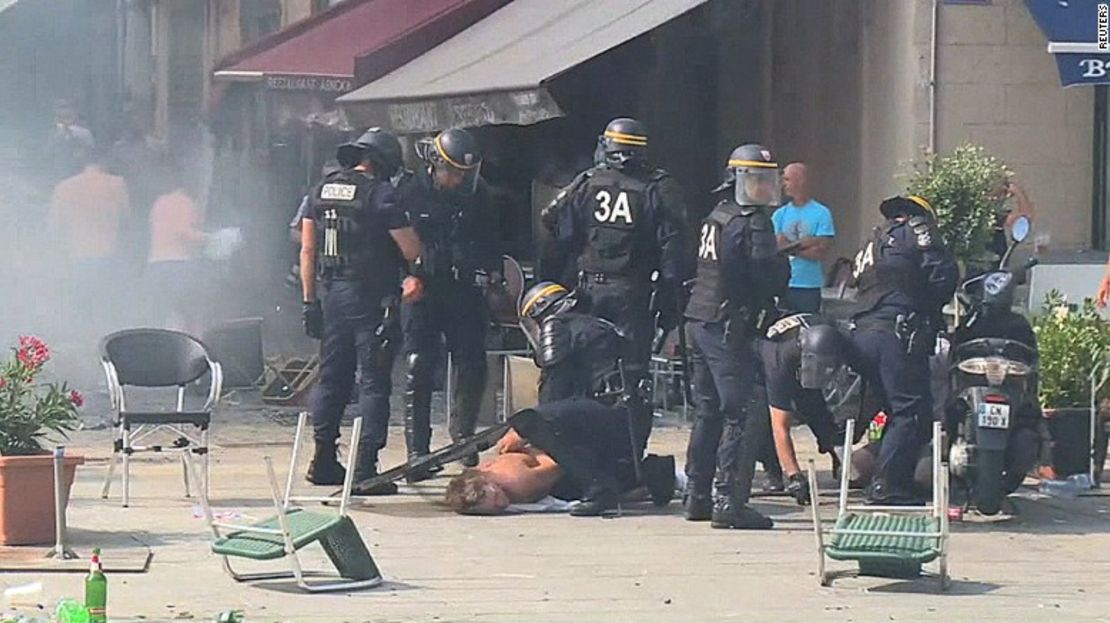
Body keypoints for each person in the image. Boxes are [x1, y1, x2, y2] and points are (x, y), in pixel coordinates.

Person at [538, 117, 688, 451]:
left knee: (579, 372)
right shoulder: (658, 187)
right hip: (633, 297)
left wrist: (554, 277)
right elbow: (673, 256)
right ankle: (627, 455)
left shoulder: (587, 183)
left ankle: (562, 452)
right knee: (629, 380)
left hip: (588, 292)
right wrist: (669, 305)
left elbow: (552, 222)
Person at [300, 128, 423, 494]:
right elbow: (411, 249)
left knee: (332, 377)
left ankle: (322, 459)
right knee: (373, 381)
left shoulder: (319, 191)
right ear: (383, 162)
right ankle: (366, 468)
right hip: (372, 300)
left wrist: (310, 303)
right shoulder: (382, 194)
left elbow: (307, 251)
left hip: (331, 294)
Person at [682, 144, 791, 529]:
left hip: (700, 319)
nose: (763, 188)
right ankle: (729, 500)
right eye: (755, 180)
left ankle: (697, 495)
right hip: (728, 325)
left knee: (707, 410)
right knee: (741, 411)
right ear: (738, 180)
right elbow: (767, 273)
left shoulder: (717, 215)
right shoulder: (752, 221)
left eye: (767, 179)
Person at [846, 195, 959, 504]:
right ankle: (887, 486)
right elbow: (944, 276)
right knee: (912, 411)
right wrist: (929, 310)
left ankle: (888, 478)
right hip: (896, 333)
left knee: (897, 412)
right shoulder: (919, 229)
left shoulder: (873, 242)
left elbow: (854, 281)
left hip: (862, 333)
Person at [403, 128, 502, 472]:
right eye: (453, 172)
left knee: (472, 363)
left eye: (464, 173)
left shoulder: (478, 194)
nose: (458, 179)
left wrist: (493, 272)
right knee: (420, 365)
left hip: (464, 290)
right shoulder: (411, 192)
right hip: (425, 288)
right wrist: (405, 276)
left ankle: (463, 437)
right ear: (435, 164)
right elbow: (395, 241)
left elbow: (491, 238)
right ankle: (418, 449)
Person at [445, 399, 670, 517]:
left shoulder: (513, 480)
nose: (498, 505)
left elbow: (560, 464)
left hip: (609, 431)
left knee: (530, 424)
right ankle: (651, 473)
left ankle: (605, 484)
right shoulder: (497, 468)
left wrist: (527, 434)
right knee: (567, 488)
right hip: (601, 431)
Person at [757, 312, 847, 505]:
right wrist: (795, 476)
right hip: (762, 364)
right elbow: (780, 428)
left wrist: (839, 452)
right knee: (762, 420)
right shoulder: (778, 361)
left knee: (818, 411)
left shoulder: (838, 336)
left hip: (805, 348)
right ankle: (773, 470)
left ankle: (838, 457)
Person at [48, 148, 130, 316]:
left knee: (81, 305)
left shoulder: (63, 187)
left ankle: (81, 336)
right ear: (105, 163)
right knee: (106, 303)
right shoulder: (117, 183)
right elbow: (126, 219)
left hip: (76, 253)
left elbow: (54, 226)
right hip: (107, 252)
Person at [518, 281, 627, 404]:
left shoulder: (558, 328)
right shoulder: (597, 324)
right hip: (615, 406)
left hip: (589, 408)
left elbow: (554, 388)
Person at [146, 171, 207, 333]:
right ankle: (194, 344)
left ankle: (157, 342)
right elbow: (184, 231)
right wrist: (211, 238)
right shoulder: (187, 203)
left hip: (155, 264)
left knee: (161, 311)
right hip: (178, 265)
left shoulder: (159, 202)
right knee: (188, 311)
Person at [773, 162, 835, 313]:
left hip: (809, 285)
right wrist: (805, 243)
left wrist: (789, 247)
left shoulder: (822, 213)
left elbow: (820, 251)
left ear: (800, 180)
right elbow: (775, 247)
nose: (783, 184)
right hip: (783, 284)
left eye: (787, 179)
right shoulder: (780, 214)